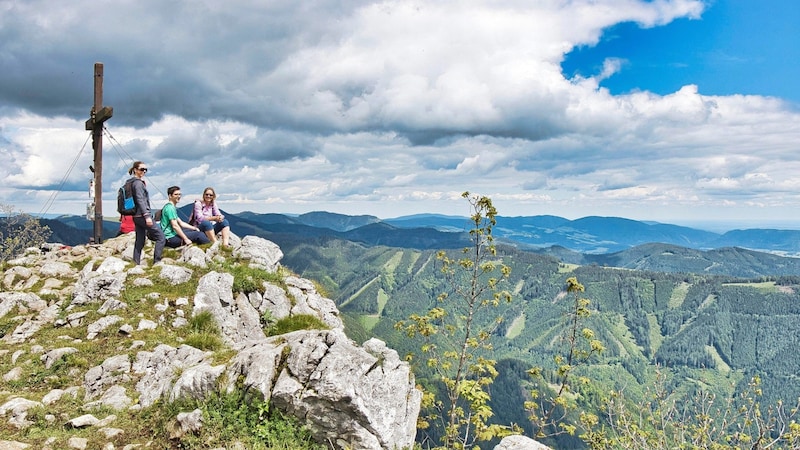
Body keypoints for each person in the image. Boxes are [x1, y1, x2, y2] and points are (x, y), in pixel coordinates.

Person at [126, 161, 165, 265]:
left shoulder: (130, 182)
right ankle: (157, 261)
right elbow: (140, 199)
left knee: (140, 240)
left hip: (135, 216)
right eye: (141, 169)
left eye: (145, 170)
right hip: (142, 215)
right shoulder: (138, 183)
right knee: (161, 236)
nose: (144, 171)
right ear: (135, 170)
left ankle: (135, 262)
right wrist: (147, 216)